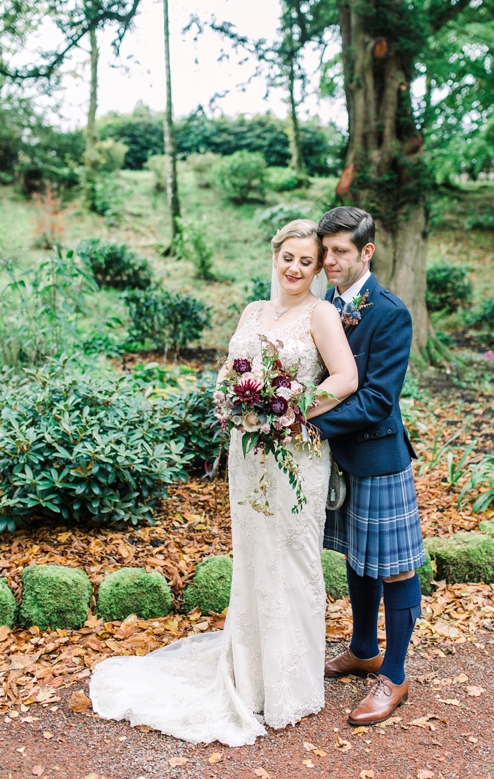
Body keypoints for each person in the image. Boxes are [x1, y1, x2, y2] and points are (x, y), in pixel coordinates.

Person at [90, 220, 358, 746]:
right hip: (247, 452)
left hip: (296, 453)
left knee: (293, 555)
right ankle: (249, 670)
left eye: (307, 261)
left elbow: (345, 379)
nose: (296, 269)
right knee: (254, 555)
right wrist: (233, 402)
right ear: (275, 255)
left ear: (316, 265)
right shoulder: (253, 312)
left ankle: (289, 683)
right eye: (289, 257)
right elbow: (229, 373)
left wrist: (293, 411)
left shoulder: (322, 313)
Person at [310, 206, 425, 726]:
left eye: (340, 252)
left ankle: (395, 674)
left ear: (367, 252)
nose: (329, 261)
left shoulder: (390, 312)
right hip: (338, 460)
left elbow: (379, 398)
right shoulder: (324, 305)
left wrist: (308, 424)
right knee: (358, 558)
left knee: (395, 566)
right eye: (325, 251)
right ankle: (362, 648)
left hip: (379, 459)